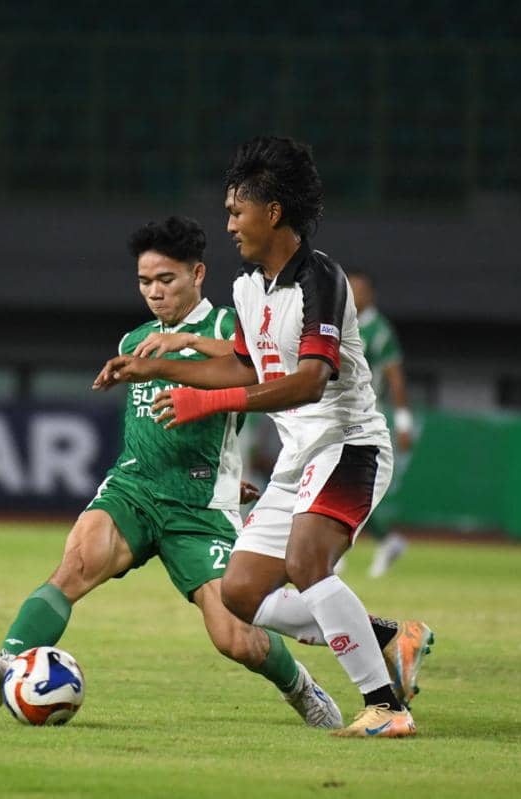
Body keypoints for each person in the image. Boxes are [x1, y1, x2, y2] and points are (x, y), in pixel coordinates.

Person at [94, 137, 433, 738]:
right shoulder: (251, 287)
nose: (227, 225)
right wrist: (158, 366)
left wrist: (208, 401)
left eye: (235, 211)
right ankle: (387, 637)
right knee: (240, 593)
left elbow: (307, 382)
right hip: (300, 457)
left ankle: (386, 707)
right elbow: (246, 368)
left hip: (350, 443)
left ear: (272, 212)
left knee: (308, 562)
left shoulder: (321, 278)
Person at [0, 215, 343, 729]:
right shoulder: (135, 339)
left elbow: (262, 373)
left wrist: (224, 471)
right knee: (75, 565)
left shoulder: (228, 328)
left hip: (199, 507)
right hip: (135, 489)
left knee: (235, 638)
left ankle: (300, 686)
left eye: (166, 280)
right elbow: (151, 423)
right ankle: (8, 662)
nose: (155, 293)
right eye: (145, 282)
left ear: (197, 274)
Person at [344, 270, 414, 578]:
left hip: (368, 417)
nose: (352, 293)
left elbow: (395, 377)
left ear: (370, 294)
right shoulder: (340, 321)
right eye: (348, 287)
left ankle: (333, 553)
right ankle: (386, 540)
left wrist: (403, 420)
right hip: (339, 415)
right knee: (343, 486)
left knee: (354, 487)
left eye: (358, 289)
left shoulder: (379, 329)